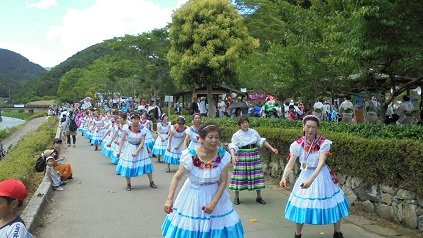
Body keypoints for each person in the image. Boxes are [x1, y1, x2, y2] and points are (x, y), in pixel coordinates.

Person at [162, 123, 244, 238]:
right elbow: (177, 177)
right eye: (210, 137)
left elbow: (223, 181)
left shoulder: (223, 155)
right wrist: (169, 200)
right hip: (192, 196)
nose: (214, 140)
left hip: (216, 197)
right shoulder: (189, 156)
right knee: (192, 229)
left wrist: (213, 203)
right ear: (201, 138)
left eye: (217, 137)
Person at [280, 115, 349, 238]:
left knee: (333, 203)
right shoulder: (297, 144)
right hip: (305, 174)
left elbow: (321, 163)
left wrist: (311, 181)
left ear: (317, 129)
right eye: (308, 127)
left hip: (321, 176)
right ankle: (298, 234)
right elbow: (290, 164)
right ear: (303, 127)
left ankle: (337, 232)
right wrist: (284, 177)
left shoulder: (323, 143)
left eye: (313, 127)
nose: (310, 130)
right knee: (301, 204)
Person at [228, 116, 278, 205]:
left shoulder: (253, 132)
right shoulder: (236, 135)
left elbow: (261, 141)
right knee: (239, 176)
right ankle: (236, 197)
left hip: (254, 155)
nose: (245, 124)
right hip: (242, 156)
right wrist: (233, 156)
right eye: (243, 123)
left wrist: (272, 149)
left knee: (257, 175)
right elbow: (232, 146)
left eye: (246, 122)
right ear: (240, 125)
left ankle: (258, 197)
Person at [116, 113, 157, 191]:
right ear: (131, 120)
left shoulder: (143, 129)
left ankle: (151, 181)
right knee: (128, 165)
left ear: (139, 120)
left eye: (137, 119)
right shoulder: (127, 128)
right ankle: (128, 184)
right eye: (134, 119)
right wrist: (119, 151)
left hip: (140, 149)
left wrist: (137, 152)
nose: (135, 120)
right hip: (129, 147)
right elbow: (123, 139)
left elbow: (142, 142)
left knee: (147, 164)